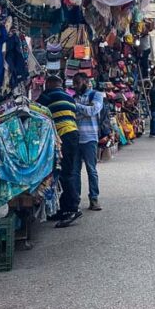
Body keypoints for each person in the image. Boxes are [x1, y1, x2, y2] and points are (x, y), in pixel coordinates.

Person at [37, 75, 82, 227]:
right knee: (64, 172)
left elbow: (35, 111)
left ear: (49, 84)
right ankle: (62, 209)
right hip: (73, 135)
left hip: (63, 136)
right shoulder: (69, 98)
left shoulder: (48, 96)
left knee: (65, 174)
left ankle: (72, 209)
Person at [72, 72, 104, 211]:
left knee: (91, 169)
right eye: (74, 84)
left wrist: (77, 107)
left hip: (90, 137)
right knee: (75, 171)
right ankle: (75, 200)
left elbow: (93, 111)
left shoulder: (96, 95)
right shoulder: (73, 98)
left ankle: (94, 198)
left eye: (78, 83)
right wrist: (84, 109)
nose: (75, 86)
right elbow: (74, 116)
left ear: (85, 81)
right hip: (75, 138)